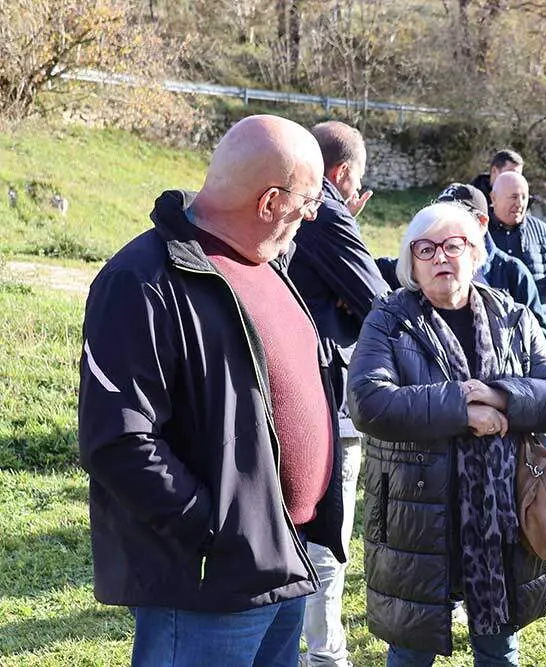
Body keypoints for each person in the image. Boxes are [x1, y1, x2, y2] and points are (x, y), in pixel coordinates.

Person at [77, 115, 345, 667]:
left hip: (285, 562)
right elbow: (118, 442)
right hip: (208, 586)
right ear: (270, 201)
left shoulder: (264, 262)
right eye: (310, 199)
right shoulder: (141, 280)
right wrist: (217, 531)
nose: (315, 213)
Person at [347, 203, 546, 665]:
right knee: (410, 651)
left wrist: (500, 396)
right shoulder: (389, 319)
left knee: (498, 649)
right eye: (425, 249)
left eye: (453, 246)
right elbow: (369, 402)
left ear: (475, 253)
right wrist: (463, 409)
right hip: (416, 514)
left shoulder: (511, 318)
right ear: (411, 261)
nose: (440, 259)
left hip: (500, 518)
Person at [287, 120, 392, 667]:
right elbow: (380, 304)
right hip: (321, 395)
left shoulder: (295, 209)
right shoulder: (325, 212)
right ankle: (326, 654)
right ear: (344, 173)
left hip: (282, 389)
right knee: (327, 533)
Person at [376, 183, 546, 344]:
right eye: (439, 215)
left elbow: (540, 337)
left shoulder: (513, 272)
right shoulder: (420, 265)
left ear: (482, 223)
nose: (445, 223)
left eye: (458, 215)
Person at [489, 171, 546, 336]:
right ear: (493, 198)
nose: (520, 203)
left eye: (524, 197)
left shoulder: (540, 230)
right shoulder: (479, 232)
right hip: (493, 334)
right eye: (514, 197)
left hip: (537, 334)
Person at [471, 149, 525, 215]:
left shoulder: (522, 202)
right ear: (494, 171)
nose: (515, 179)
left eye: (518, 176)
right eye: (510, 173)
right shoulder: (471, 198)